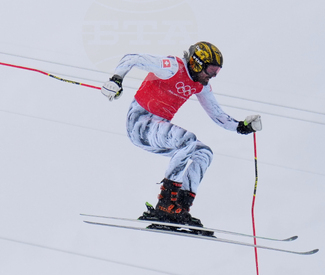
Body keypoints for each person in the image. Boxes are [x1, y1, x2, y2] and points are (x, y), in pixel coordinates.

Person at [101, 41, 262, 237]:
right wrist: (116, 80)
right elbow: (132, 58)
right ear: (196, 63)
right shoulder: (172, 67)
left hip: (159, 130)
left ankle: (181, 207)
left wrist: (241, 127)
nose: (211, 76)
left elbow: (217, 114)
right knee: (187, 141)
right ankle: (166, 204)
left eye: (216, 72)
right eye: (210, 70)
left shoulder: (200, 86)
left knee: (204, 153)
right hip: (140, 123)